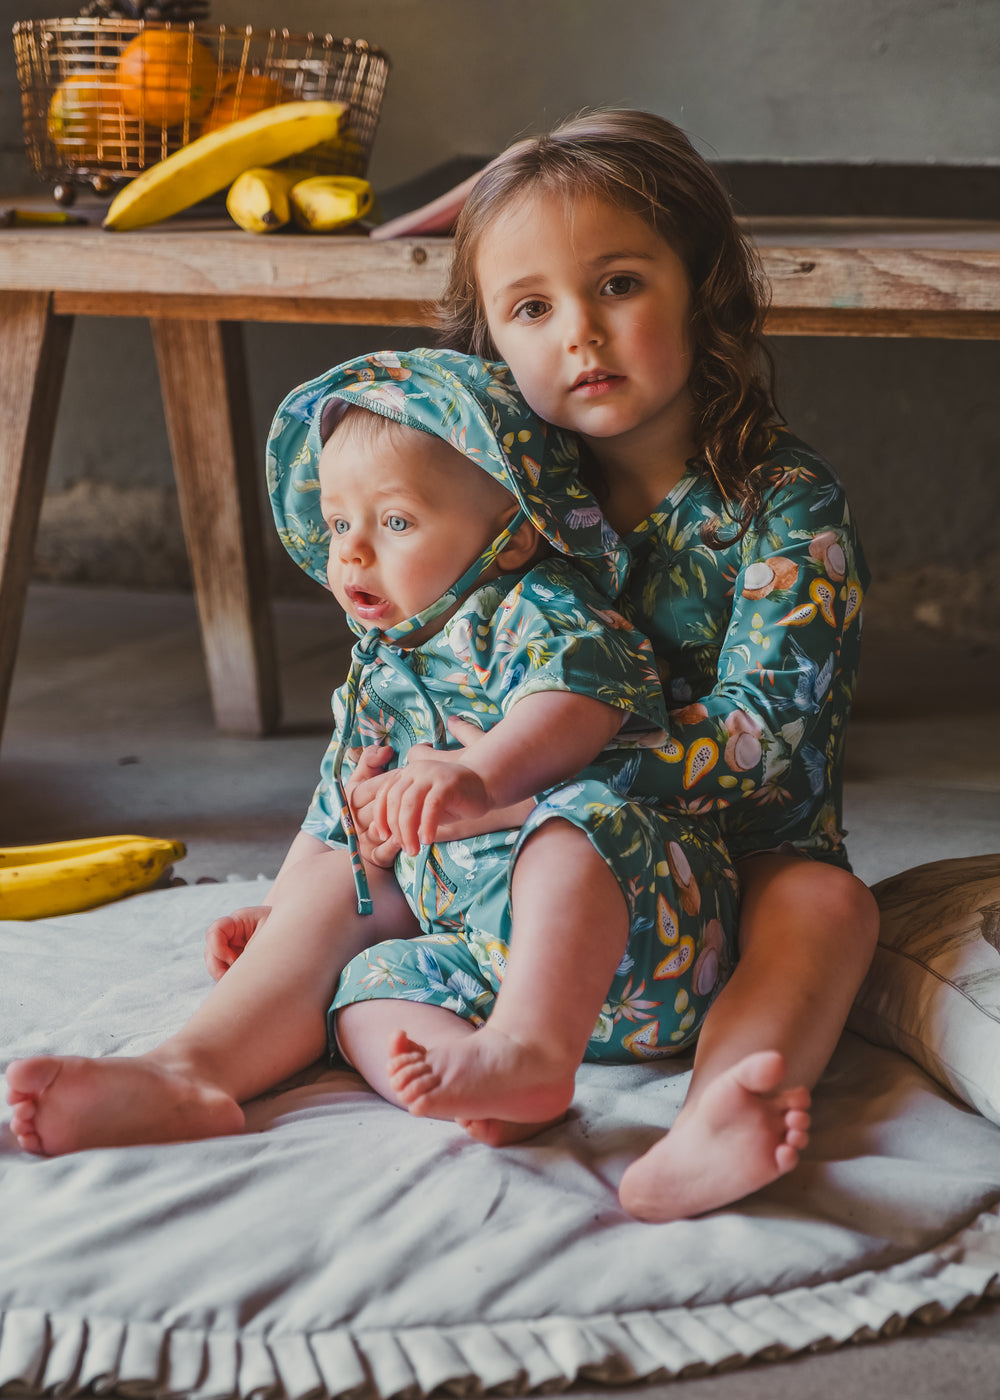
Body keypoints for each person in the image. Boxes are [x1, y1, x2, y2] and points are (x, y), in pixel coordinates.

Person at [5, 348, 744, 1165]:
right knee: (360, 982)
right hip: (472, 959)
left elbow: (575, 704)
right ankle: (194, 1074)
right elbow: (331, 814)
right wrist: (283, 914)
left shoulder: (542, 610)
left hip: (645, 939)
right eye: (336, 523)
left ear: (513, 537)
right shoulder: (384, 665)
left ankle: (532, 1049)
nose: (353, 551)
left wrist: (480, 773)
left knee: (576, 830)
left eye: (394, 522)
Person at [349, 108, 880, 1221]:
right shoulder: (495, 512)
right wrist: (383, 820)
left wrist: (515, 781)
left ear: (701, 288)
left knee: (827, 906)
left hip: (731, 883)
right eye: (532, 308)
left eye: (620, 285)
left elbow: (763, 732)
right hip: (530, 911)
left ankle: (711, 1119)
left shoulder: (784, 506)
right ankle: (499, 1071)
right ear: (489, 344)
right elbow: (412, 680)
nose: (578, 335)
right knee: (361, 990)